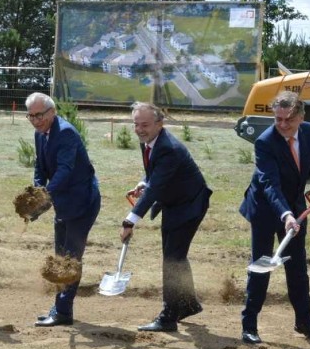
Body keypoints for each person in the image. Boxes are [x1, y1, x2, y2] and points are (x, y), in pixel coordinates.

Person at [239, 91, 310, 344]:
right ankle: (249, 325)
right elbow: (270, 184)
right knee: (261, 266)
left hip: (294, 208)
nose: (282, 125)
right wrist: (286, 215)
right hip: (265, 210)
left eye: (288, 120)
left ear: (301, 117)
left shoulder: (309, 131)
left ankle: (304, 322)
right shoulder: (265, 142)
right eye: (277, 119)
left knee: (297, 268)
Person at [120, 102, 212, 332]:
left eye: (145, 125)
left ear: (159, 124)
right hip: (174, 202)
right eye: (136, 124)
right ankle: (188, 304)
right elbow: (154, 172)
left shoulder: (169, 147)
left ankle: (169, 317)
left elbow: (155, 189)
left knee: (172, 259)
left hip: (189, 205)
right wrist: (143, 181)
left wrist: (130, 220)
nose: (140, 129)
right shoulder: (150, 142)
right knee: (175, 256)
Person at [26, 93, 101, 327]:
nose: (36, 120)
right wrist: (38, 191)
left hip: (82, 202)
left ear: (52, 111)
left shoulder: (66, 132)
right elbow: (40, 166)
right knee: (60, 255)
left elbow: (65, 170)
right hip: (62, 202)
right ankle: (60, 308)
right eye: (31, 116)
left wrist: (46, 196)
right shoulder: (40, 134)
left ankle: (63, 312)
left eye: (40, 115)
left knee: (70, 258)